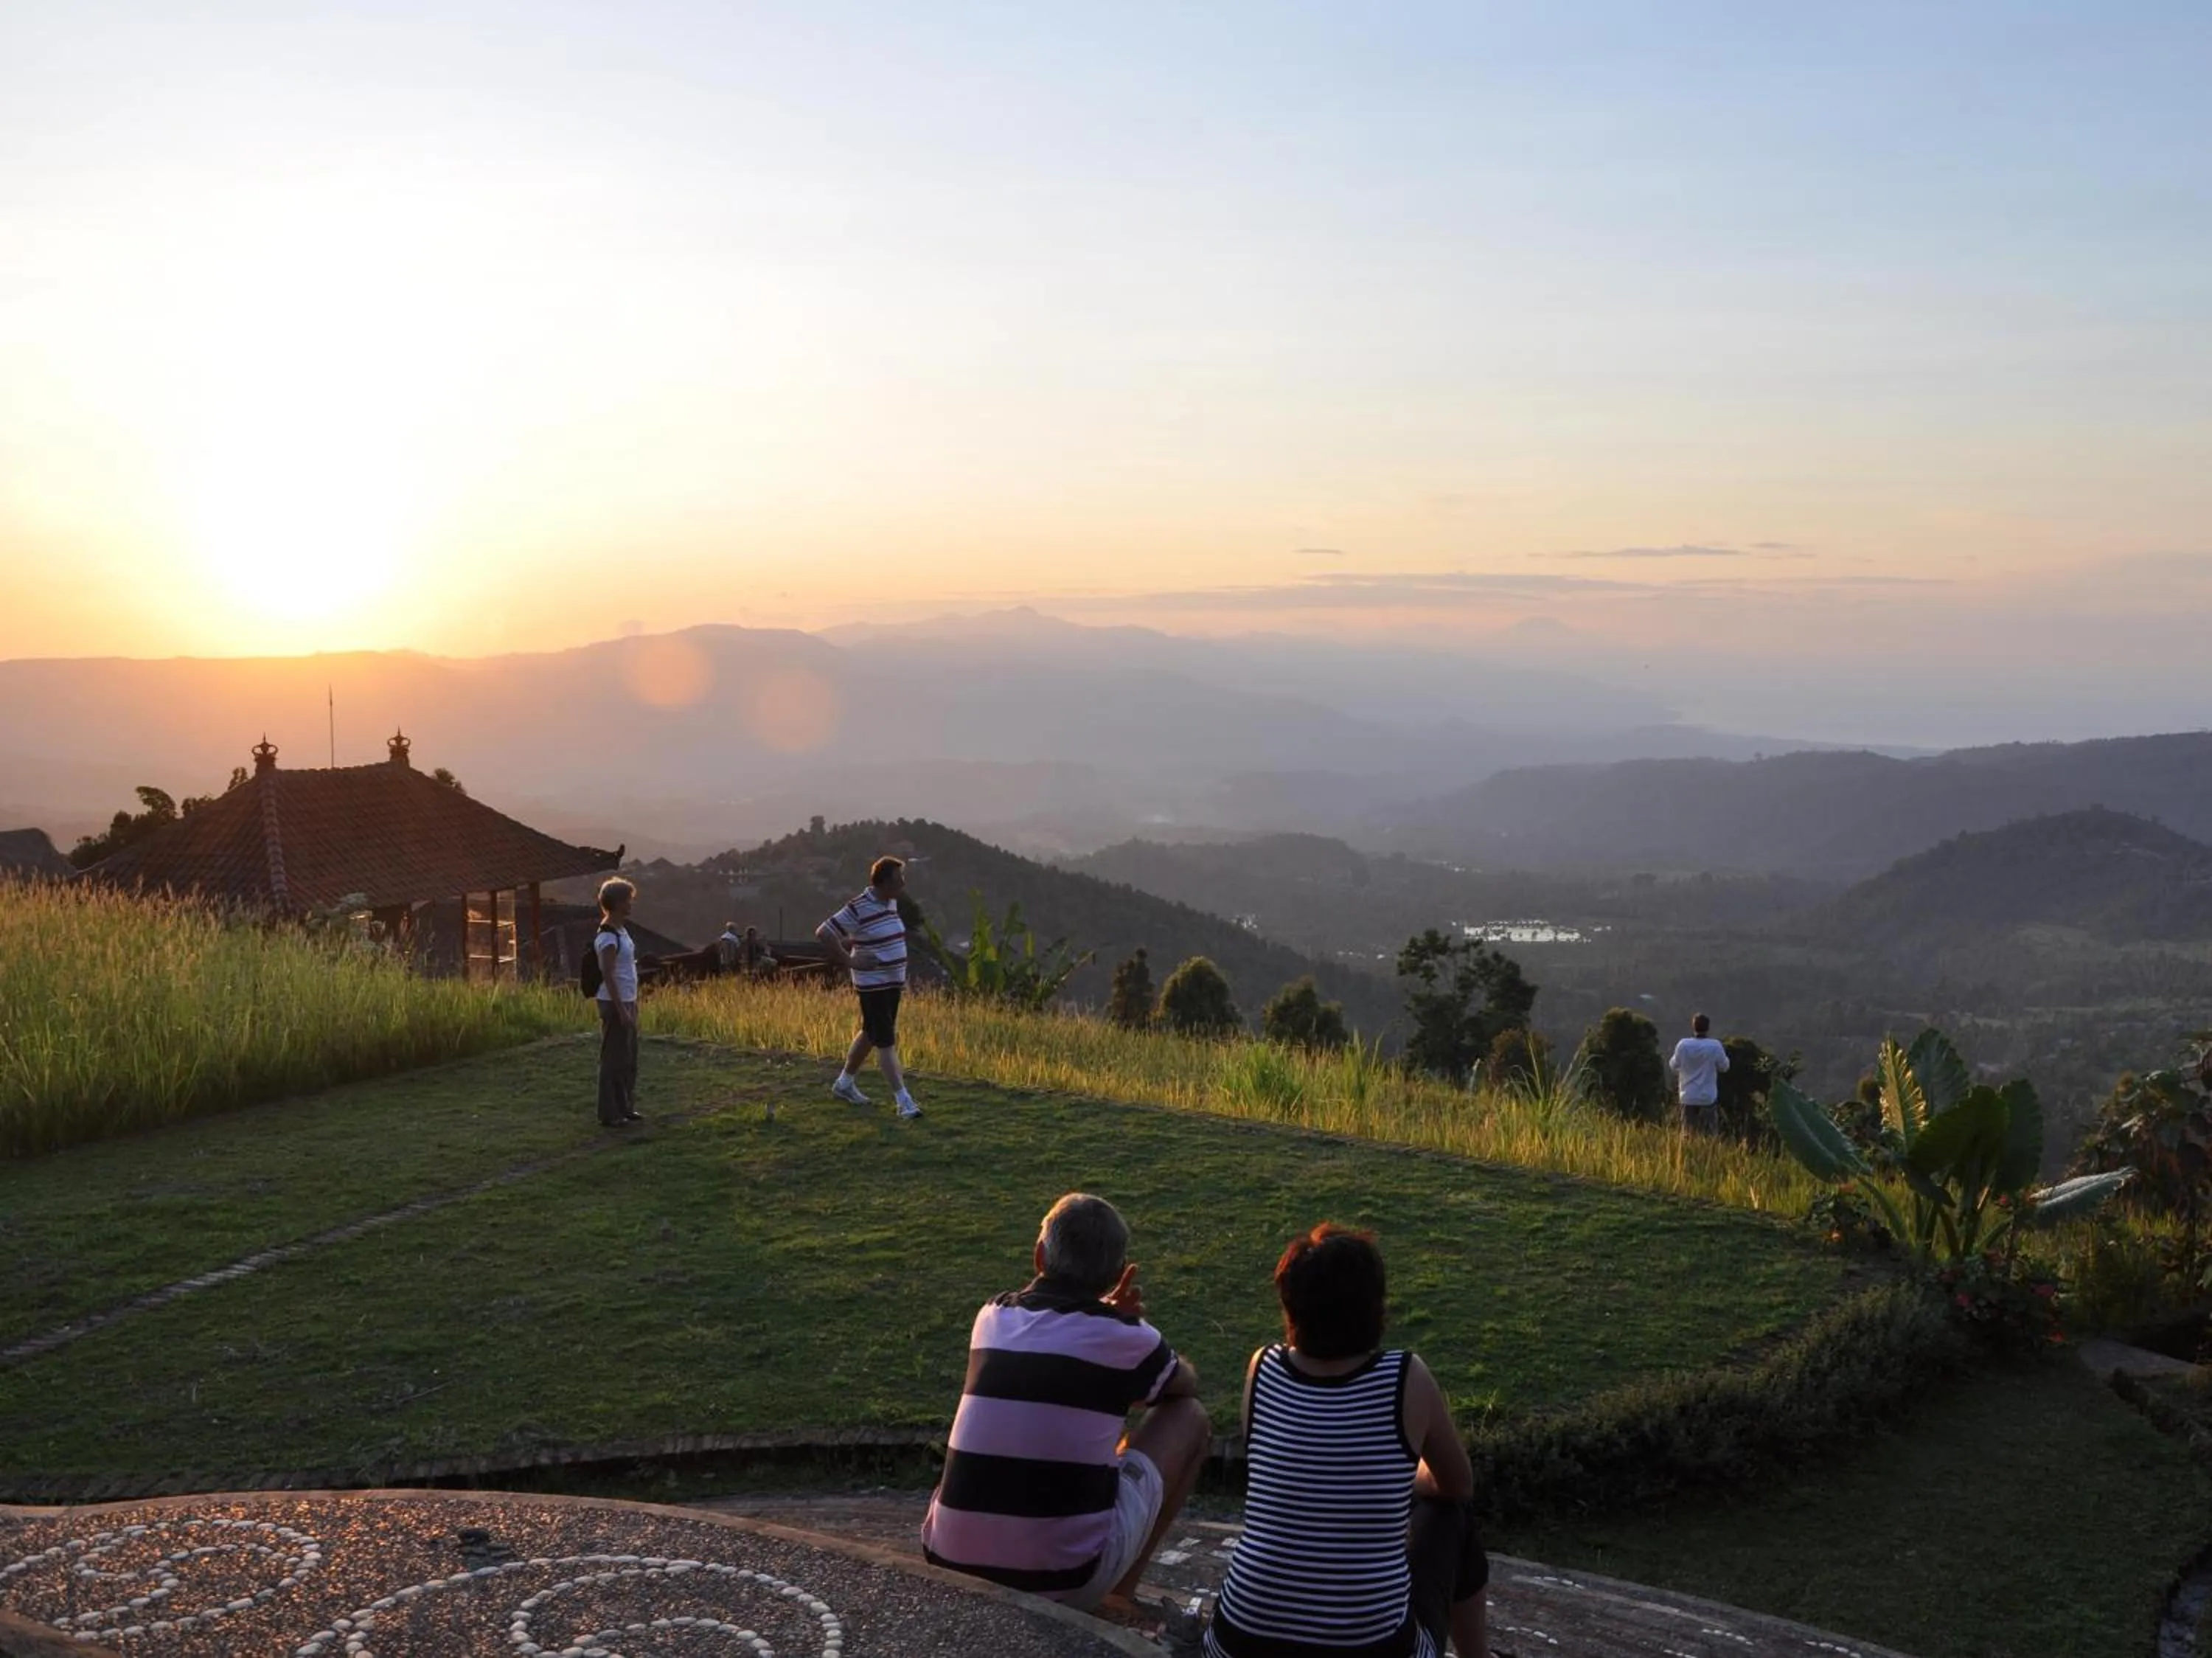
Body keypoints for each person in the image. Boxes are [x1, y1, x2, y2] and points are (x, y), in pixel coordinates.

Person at [1208, 1226, 1487, 1658]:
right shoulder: (1405, 1376)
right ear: (1375, 1308)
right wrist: (1407, 1482)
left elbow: (1294, 1466)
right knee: (1450, 1514)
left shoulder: (1262, 1369)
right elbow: (1458, 1483)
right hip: (1369, 1648)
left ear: (1291, 1309)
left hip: (1238, 1642)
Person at [923, 1193, 1212, 1612]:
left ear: (1040, 1256)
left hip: (948, 1561)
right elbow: (1184, 1385)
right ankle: (1118, 1597)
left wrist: (1108, 1322)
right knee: (1191, 1417)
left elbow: (1058, 1354)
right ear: (1117, 1273)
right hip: (1063, 1580)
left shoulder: (991, 1316)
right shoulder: (1129, 1339)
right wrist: (1127, 1323)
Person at [816, 855, 921, 1119]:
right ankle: (904, 1101)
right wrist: (850, 961)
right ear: (883, 882)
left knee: (870, 1034)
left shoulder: (890, 902)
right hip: (873, 985)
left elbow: (879, 937)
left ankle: (844, 1084)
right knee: (886, 1041)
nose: (904, 885)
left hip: (891, 983)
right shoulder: (858, 907)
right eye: (899, 880)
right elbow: (824, 932)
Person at [594, 878, 643, 1126]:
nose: (631, 903)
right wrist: (621, 1010)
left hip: (627, 1000)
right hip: (615, 1003)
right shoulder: (608, 936)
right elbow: (608, 974)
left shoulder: (622, 930)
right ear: (617, 903)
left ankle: (625, 1107)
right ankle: (610, 1112)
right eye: (627, 900)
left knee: (628, 1057)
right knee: (613, 1059)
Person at [1668, 1013, 1731, 1135]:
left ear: (1693, 1026)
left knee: (1687, 1134)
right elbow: (1724, 1067)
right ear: (1708, 1028)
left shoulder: (1683, 1045)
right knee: (1710, 1134)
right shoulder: (1715, 1046)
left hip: (1688, 1096)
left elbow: (1673, 1065)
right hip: (1707, 1097)